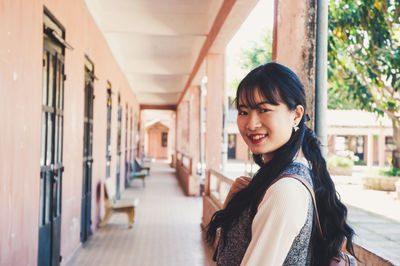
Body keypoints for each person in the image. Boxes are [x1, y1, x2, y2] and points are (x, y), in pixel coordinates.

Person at [205, 62, 357, 266]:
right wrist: (234, 201)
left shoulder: (285, 190)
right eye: (243, 112)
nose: (251, 124)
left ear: (296, 115)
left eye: (264, 110)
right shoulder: (275, 178)